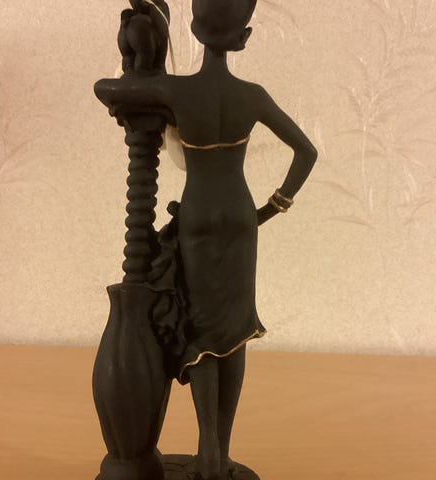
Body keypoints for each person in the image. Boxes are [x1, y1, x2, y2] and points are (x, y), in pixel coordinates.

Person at [94, 1, 317, 478]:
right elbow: (306, 151)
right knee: (235, 332)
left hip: (197, 216)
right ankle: (222, 454)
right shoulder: (252, 96)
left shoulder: (177, 90)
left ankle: (207, 447)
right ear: (244, 37)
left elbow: (106, 89)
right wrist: (273, 206)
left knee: (203, 333)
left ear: (194, 30)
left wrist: (149, 60)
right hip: (239, 217)